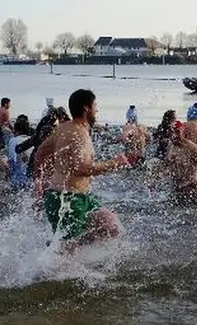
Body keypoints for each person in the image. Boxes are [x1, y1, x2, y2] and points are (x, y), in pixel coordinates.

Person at [33, 89, 129, 251]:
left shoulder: (64, 128)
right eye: (95, 105)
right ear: (86, 108)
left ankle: (60, 250)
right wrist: (115, 163)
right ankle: (51, 264)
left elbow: (41, 153)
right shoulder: (78, 134)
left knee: (110, 226)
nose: (97, 109)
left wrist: (40, 181)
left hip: (80, 196)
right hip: (67, 200)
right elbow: (81, 169)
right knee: (69, 250)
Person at [6, 115, 32, 191]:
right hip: (30, 179)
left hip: (16, 179)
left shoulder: (12, 141)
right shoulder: (31, 141)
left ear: (15, 130)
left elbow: (10, 160)